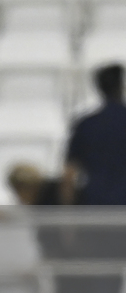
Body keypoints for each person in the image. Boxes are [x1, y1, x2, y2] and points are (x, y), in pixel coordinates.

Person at [63, 63, 126, 205]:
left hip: (95, 202)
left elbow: (69, 173)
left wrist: (68, 214)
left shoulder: (85, 124)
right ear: (122, 86)